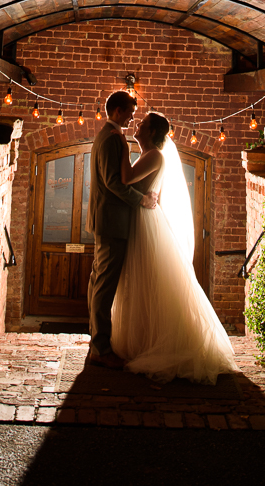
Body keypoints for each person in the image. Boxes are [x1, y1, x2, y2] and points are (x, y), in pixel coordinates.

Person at [110, 111, 238, 385]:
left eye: (142, 124)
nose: (137, 125)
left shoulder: (155, 155)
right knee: (141, 282)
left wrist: (121, 145)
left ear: (153, 132)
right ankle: (144, 339)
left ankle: (159, 343)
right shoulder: (148, 154)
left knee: (150, 280)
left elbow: (125, 177)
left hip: (147, 223)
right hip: (141, 218)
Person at [86, 90, 158, 369]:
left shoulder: (108, 135)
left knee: (97, 280)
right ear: (117, 111)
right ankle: (101, 348)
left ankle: (96, 340)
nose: (132, 117)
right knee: (104, 283)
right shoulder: (113, 138)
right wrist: (142, 200)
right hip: (112, 221)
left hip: (106, 219)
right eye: (130, 112)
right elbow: (114, 183)